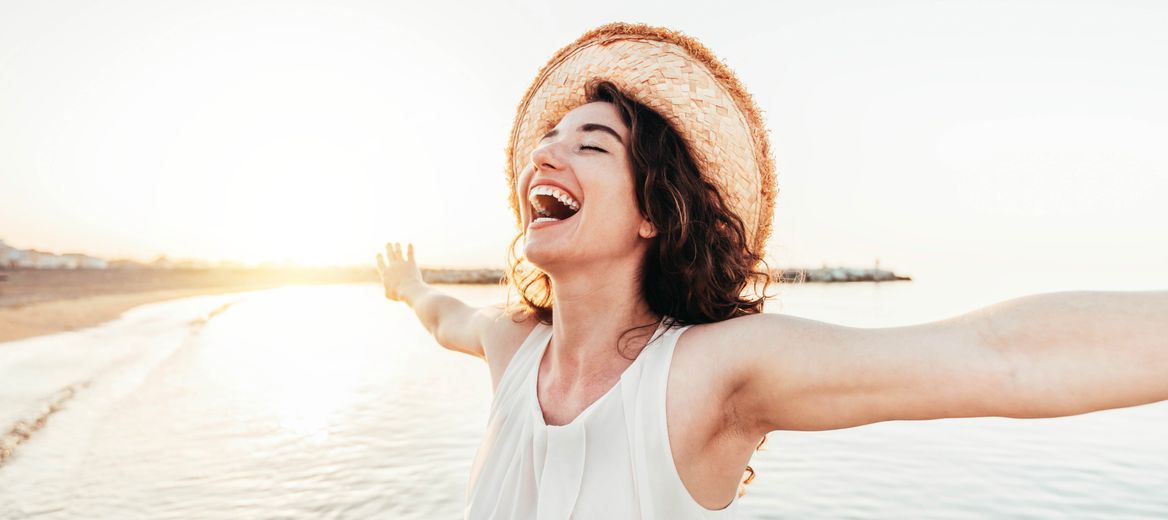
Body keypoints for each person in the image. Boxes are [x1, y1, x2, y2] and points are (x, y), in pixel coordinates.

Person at [375, 23, 1167, 519]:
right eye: (549, 137)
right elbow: (443, 316)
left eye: (589, 144)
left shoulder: (707, 376)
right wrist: (409, 288)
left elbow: (1001, 356)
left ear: (654, 213)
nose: (546, 151)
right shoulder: (514, 347)